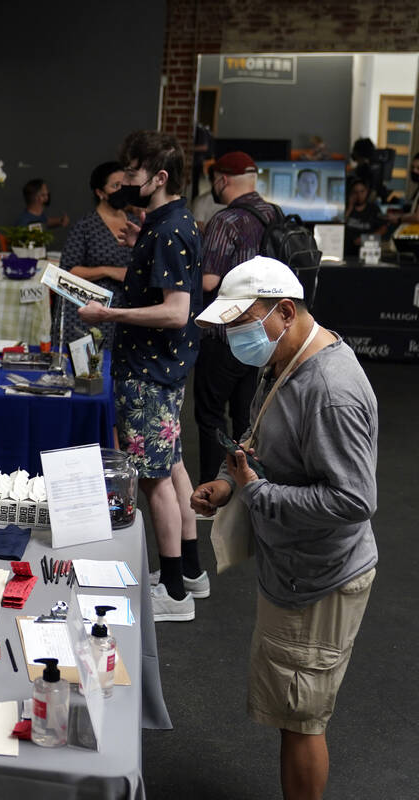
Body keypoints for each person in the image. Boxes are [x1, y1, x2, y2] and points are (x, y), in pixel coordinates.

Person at [191, 256, 377, 800]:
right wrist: (231, 482)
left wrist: (256, 492)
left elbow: (353, 498)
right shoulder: (287, 360)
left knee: (302, 719)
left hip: (319, 579)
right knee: (293, 709)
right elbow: (267, 441)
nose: (233, 338)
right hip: (296, 571)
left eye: (240, 324)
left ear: (285, 311)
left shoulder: (331, 391)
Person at [78, 130, 204, 623]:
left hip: (149, 370)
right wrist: (139, 247)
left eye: (132, 173)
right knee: (171, 469)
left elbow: (175, 313)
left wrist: (109, 316)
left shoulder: (169, 229)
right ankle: (189, 572)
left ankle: (173, 592)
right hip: (161, 368)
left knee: (154, 482)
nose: (125, 181)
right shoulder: (166, 223)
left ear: (160, 177)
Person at [193, 151, 275, 488]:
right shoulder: (274, 214)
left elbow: (209, 282)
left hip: (226, 335)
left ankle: (213, 488)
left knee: (211, 416)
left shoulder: (225, 221)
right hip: (266, 333)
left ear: (222, 179)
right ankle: (247, 483)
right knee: (247, 418)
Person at [56, 161, 134, 350]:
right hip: (91, 311)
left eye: (124, 185)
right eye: (115, 186)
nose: (121, 190)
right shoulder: (86, 226)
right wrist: (108, 271)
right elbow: (67, 271)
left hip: (128, 310)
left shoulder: (134, 224)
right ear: (100, 193)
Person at [344, 178, 387, 258]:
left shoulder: (374, 209)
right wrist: (350, 208)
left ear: (367, 192)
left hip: (367, 253)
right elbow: (339, 225)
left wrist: (365, 239)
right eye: (355, 192)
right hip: (346, 252)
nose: (359, 195)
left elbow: (383, 228)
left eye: (362, 191)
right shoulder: (346, 208)